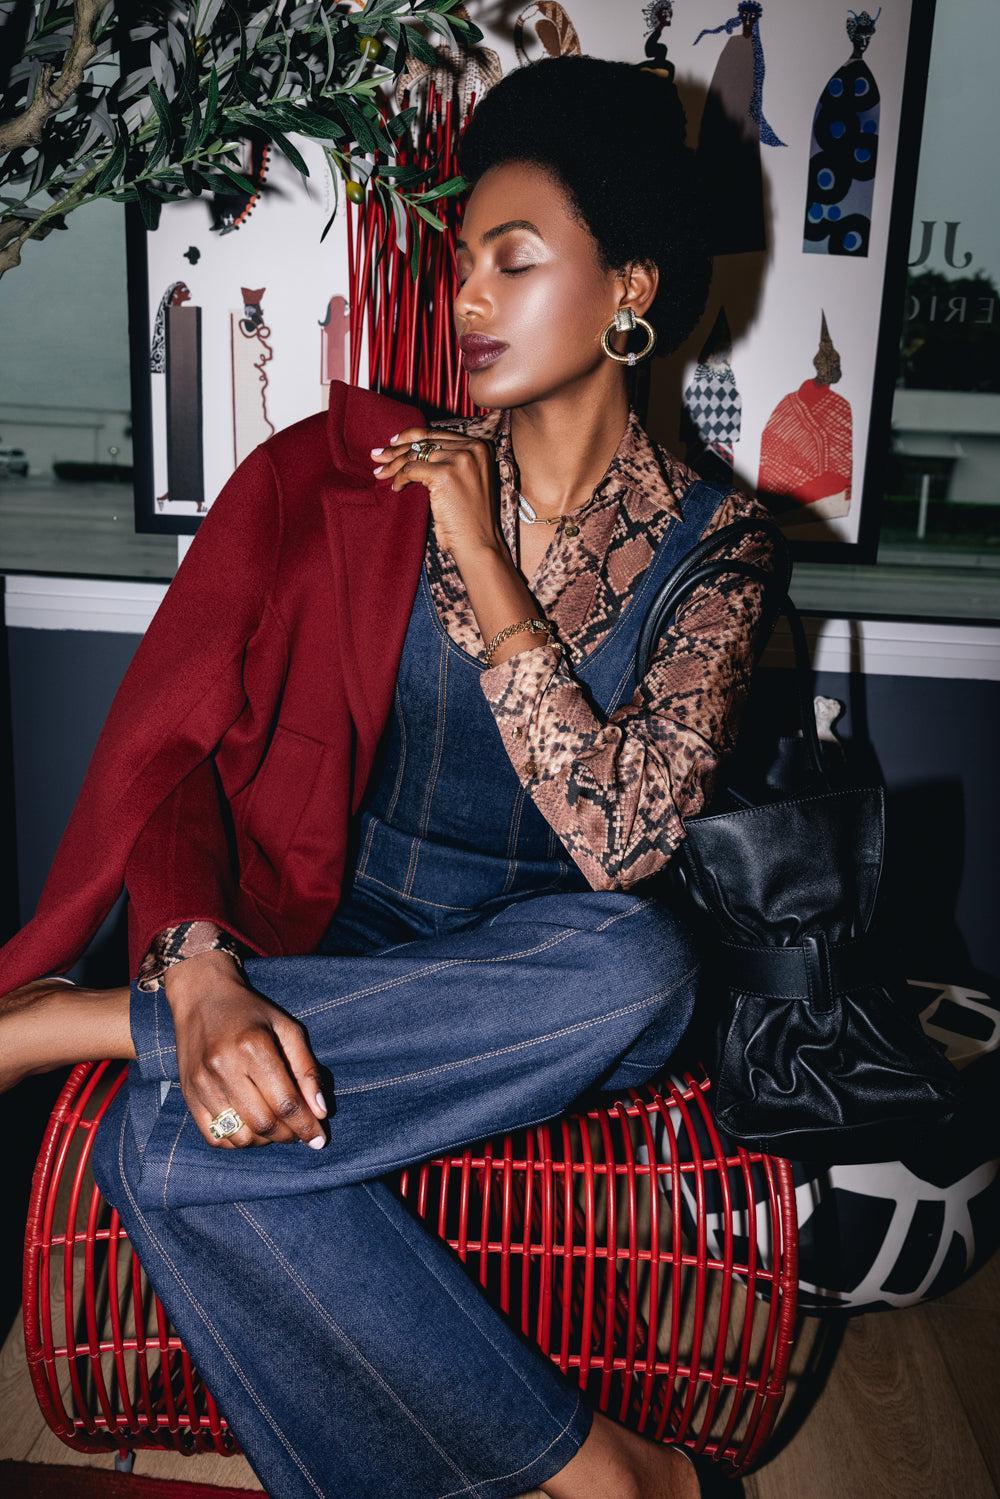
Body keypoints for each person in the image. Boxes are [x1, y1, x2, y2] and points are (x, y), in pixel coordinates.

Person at [0, 55, 777, 1499]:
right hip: (346, 953)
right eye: (461, 261)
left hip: (549, 993)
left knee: (646, 964)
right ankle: (612, 1474)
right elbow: (194, 758)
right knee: (152, 1153)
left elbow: (624, 843)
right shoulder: (357, 483)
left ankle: (80, 1025)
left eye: (513, 260)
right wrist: (200, 968)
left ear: (629, 289)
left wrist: (481, 548)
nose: (467, 298)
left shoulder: (717, 550)